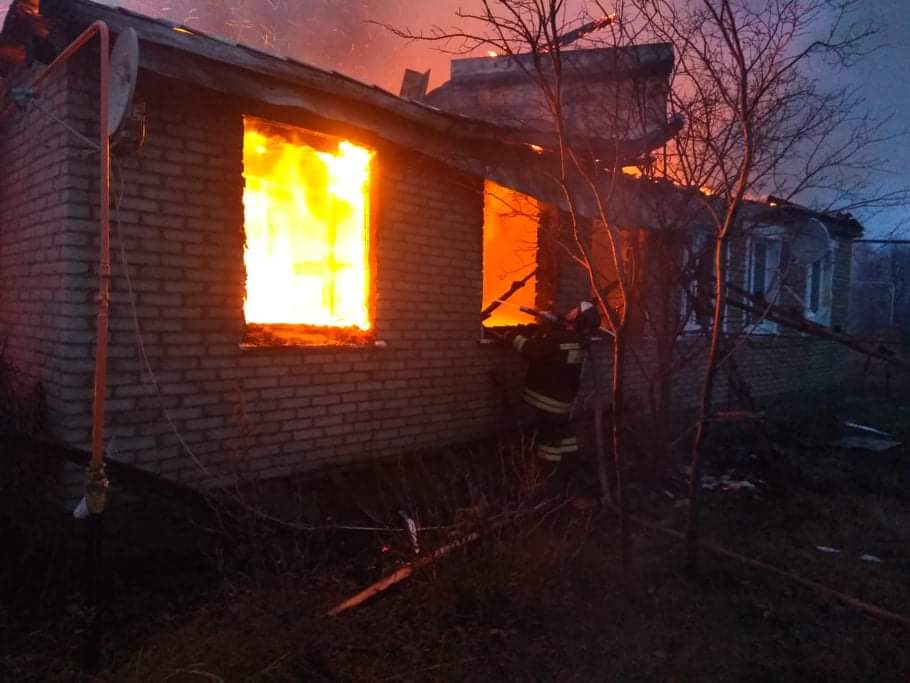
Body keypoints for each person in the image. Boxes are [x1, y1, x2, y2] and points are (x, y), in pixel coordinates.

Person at [502, 301, 601, 463]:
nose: (570, 311)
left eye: (574, 311)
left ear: (577, 320)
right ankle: (572, 467)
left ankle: (548, 474)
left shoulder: (560, 340)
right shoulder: (580, 340)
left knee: (548, 442)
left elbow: (532, 350)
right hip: (563, 402)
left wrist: (512, 337)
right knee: (564, 435)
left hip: (546, 401)